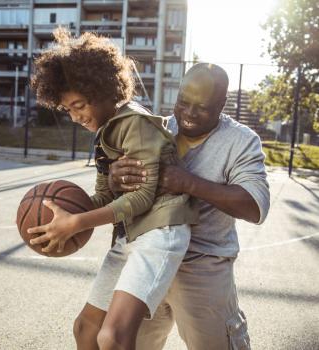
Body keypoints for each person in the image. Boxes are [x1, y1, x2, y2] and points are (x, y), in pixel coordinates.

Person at [28, 28, 196, 350]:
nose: (76, 116)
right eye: (69, 110)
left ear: (105, 89)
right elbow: (105, 195)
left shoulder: (135, 123)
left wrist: (77, 223)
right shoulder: (104, 133)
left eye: (79, 105)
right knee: (85, 329)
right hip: (130, 233)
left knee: (112, 336)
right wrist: (63, 213)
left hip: (161, 233)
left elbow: (144, 196)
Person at [108, 63, 270, 350]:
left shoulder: (242, 141)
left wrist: (190, 183)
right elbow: (122, 196)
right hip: (151, 257)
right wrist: (116, 178)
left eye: (203, 107)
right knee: (127, 342)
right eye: (184, 102)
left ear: (222, 105)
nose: (189, 113)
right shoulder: (155, 130)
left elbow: (255, 206)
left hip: (202, 264)